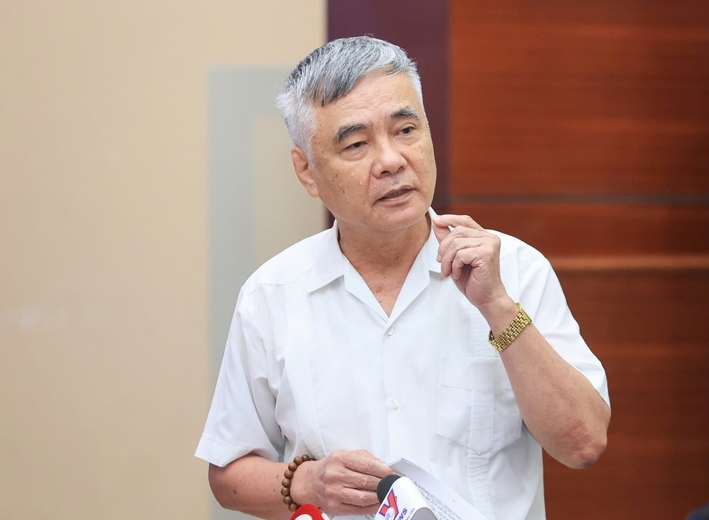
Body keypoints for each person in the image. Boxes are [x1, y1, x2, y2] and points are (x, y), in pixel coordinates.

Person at [195, 36, 611, 520]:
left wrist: (498, 308)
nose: (391, 160)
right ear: (306, 172)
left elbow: (583, 443)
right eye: (356, 144)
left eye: (406, 130)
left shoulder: (515, 270)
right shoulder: (271, 295)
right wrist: (309, 481)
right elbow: (228, 476)